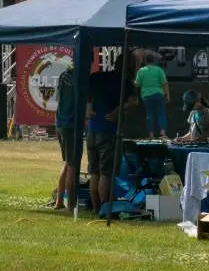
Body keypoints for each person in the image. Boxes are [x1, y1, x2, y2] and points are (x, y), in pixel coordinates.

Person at [86, 53, 135, 215]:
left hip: (92, 129)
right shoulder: (126, 83)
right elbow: (134, 101)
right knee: (107, 173)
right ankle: (106, 208)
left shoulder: (97, 76)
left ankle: (95, 207)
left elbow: (87, 93)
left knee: (94, 172)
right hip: (109, 131)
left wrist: (89, 107)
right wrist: (119, 109)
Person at [52, 65, 84, 210]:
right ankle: (71, 204)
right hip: (71, 124)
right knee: (72, 164)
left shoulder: (63, 75)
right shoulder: (81, 78)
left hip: (60, 122)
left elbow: (58, 98)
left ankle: (59, 200)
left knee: (67, 162)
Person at [134, 52, 170, 140]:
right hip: (159, 94)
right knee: (161, 114)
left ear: (145, 61)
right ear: (153, 61)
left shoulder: (141, 71)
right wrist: (167, 95)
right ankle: (163, 134)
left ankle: (151, 135)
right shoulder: (159, 70)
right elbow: (165, 84)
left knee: (149, 115)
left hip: (146, 96)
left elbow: (137, 84)